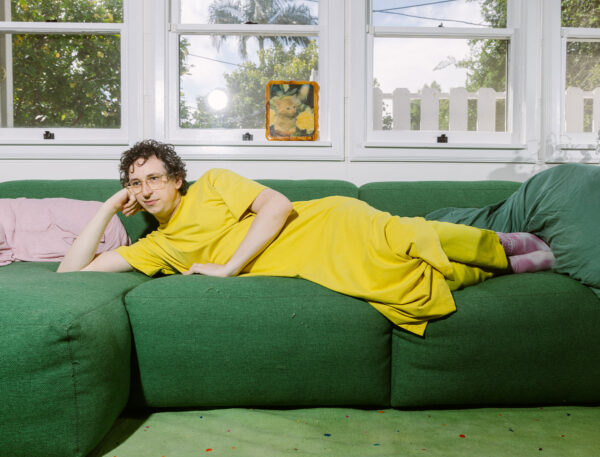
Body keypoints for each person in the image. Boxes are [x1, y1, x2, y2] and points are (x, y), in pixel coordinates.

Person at [58, 140, 554, 336]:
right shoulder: (154, 248)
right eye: (135, 184)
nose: (145, 190)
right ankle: (509, 264)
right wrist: (107, 207)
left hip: (321, 222)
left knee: (397, 233)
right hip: (306, 258)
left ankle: (501, 243)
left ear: (176, 179)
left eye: (154, 178)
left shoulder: (213, 184)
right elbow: (71, 272)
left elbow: (278, 206)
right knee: (399, 280)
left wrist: (228, 267)